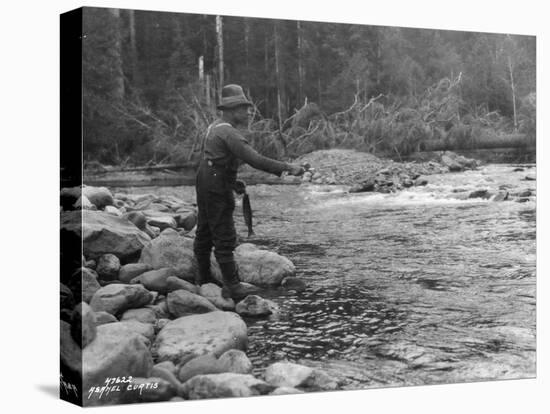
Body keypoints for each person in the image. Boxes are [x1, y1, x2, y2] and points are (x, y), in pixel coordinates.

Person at [193, 84, 304, 301]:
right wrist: (288, 168)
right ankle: (232, 286)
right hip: (215, 184)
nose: (247, 112)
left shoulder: (214, 127)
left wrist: (233, 182)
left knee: (205, 229)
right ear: (232, 110)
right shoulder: (228, 132)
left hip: (206, 179)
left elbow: (215, 159)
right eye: (243, 108)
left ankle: (203, 277)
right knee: (224, 235)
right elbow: (255, 160)